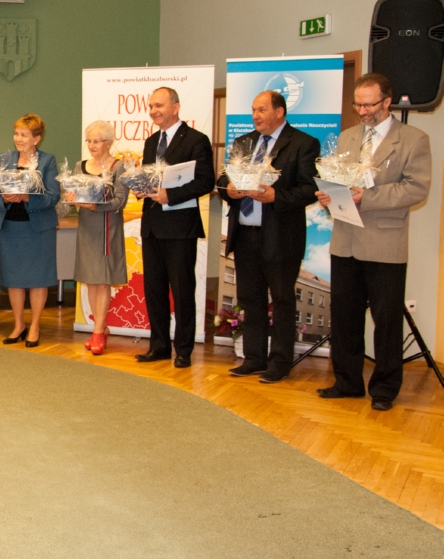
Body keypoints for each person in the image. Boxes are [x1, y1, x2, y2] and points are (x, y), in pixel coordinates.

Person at [315, 73, 431, 411]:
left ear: (387, 101)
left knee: (386, 320)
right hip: (345, 240)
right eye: (358, 105)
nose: (363, 111)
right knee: (345, 317)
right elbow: (338, 180)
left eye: (369, 105)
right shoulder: (347, 137)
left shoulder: (413, 139)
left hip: (385, 243)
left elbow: (416, 188)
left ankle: (384, 389)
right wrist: (328, 195)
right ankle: (347, 382)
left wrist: (368, 197)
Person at [218, 91, 319, 383]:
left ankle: (280, 363)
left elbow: (309, 189)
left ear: (279, 111)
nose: (255, 116)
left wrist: (277, 196)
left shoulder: (303, 143)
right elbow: (223, 178)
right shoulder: (243, 142)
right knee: (250, 299)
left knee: (283, 300)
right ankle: (254, 358)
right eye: (253, 110)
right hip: (244, 234)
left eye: (261, 110)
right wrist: (229, 189)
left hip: (281, 237)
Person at [133, 87, 215, 368]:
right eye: (151, 106)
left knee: (182, 291)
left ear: (176, 107)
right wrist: (140, 189)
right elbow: (149, 178)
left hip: (180, 228)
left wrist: (171, 195)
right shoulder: (150, 142)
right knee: (154, 290)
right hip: (152, 226)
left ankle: (183, 350)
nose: (153, 111)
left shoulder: (196, 140)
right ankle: (158, 346)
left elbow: (205, 181)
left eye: (159, 105)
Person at [0, 114, 60, 347]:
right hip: (9, 227)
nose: (18, 139)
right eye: (16, 133)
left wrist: (28, 197)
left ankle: (35, 326)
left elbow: (53, 196)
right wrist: (4, 198)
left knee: (38, 279)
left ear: (36, 138)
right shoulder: (5, 158)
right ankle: (18, 325)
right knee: (14, 279)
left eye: (24, 135)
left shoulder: (47, 161)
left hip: (38, 229)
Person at [64, 120, 129, 355]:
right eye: (89, 141)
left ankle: (99, 332)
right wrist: (70, 198)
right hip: (87, 228)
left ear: (109, 143)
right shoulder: (80, 166)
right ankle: (98, 328)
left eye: (97, 141)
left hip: (107, 227)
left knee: (103, 281)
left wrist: (94, 206)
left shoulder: (119, 167)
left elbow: (120, 201)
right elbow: (72, 196)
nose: (92, 145)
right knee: (91, 280)